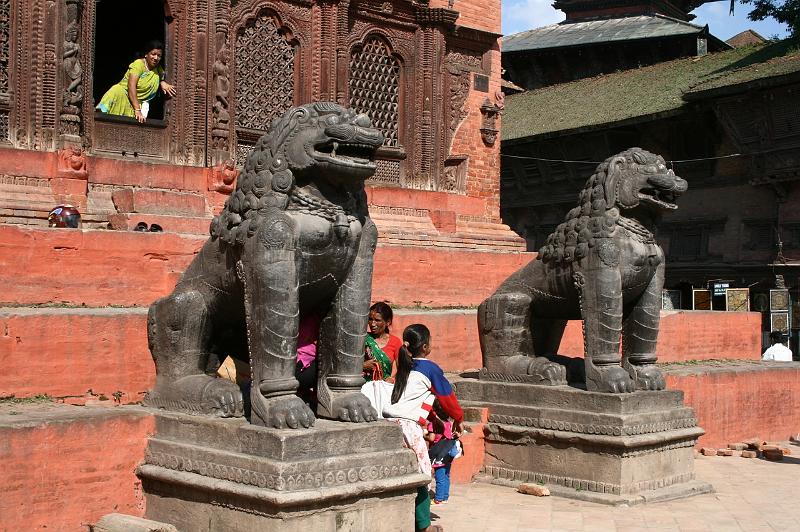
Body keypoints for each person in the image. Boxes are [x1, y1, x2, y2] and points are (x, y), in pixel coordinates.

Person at [361, 324, 463, 532]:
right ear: (425, 346)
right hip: (407, 426)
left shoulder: (406, 367)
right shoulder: (430, 368)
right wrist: (458, 418)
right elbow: (447, 397)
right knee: (423, 474)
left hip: (388, 422)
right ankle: (424, 527)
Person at [96, 40, 176, 123]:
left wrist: (162, 82)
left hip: (140, 102)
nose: (156, 58)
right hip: (122, 94)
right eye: (153, 54)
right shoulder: (138, 65)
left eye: (159, 55)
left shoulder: (157, 68)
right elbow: (131, 86)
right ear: (146, 54)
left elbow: (160, 76)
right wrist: (137, 109)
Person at [426, 400, 462, 505]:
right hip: (448, 452)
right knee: (446, 474)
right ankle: (445, 496)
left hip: (438, 453)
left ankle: (438, 498)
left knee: (439, 476)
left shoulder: (433, 424)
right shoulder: (448, 423)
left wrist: (424, 435)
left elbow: (432, 438)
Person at [363, 302, 403, 381]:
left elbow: (402, 368)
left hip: (384, 387)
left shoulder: (395, 342)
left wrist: (392, 379)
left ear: (388, 322)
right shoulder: (363, 338)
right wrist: (362, 365)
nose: (372, 324)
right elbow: (347, 363)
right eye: (370, 319)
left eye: (377, 320)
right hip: (363, 386)